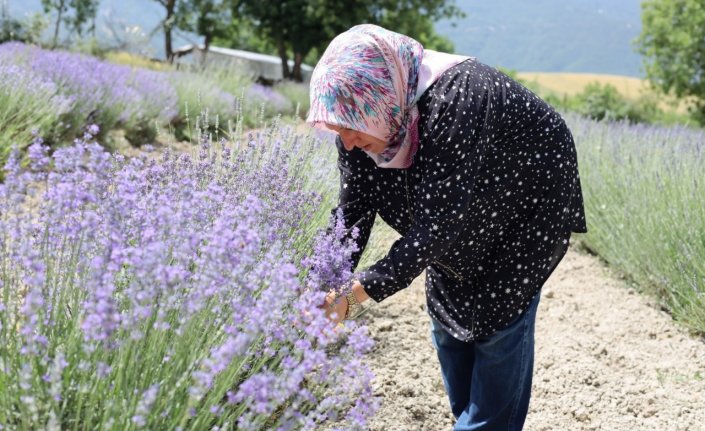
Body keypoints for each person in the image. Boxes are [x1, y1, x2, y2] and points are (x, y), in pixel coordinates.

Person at [307, 24, 587, 431]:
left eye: (350, 127)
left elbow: (437, 227)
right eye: (337, 129)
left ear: (379, 101)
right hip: (461, 217)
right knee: (450, 331)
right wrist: (318, 285)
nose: (346, 142)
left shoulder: (459, 96)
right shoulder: (363, 124)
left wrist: (353, 295)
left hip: (523, 213)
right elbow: (352, 214)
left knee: (497, 332)